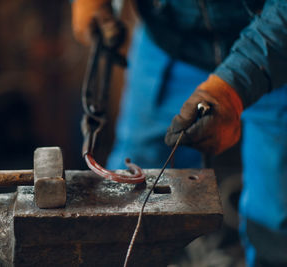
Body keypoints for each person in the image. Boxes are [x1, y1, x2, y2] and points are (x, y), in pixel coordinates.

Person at [71, 0, 287, 266]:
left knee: (276, 214)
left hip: (275, 51)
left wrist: (237, 82)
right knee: (126, 201)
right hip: (169, 47)